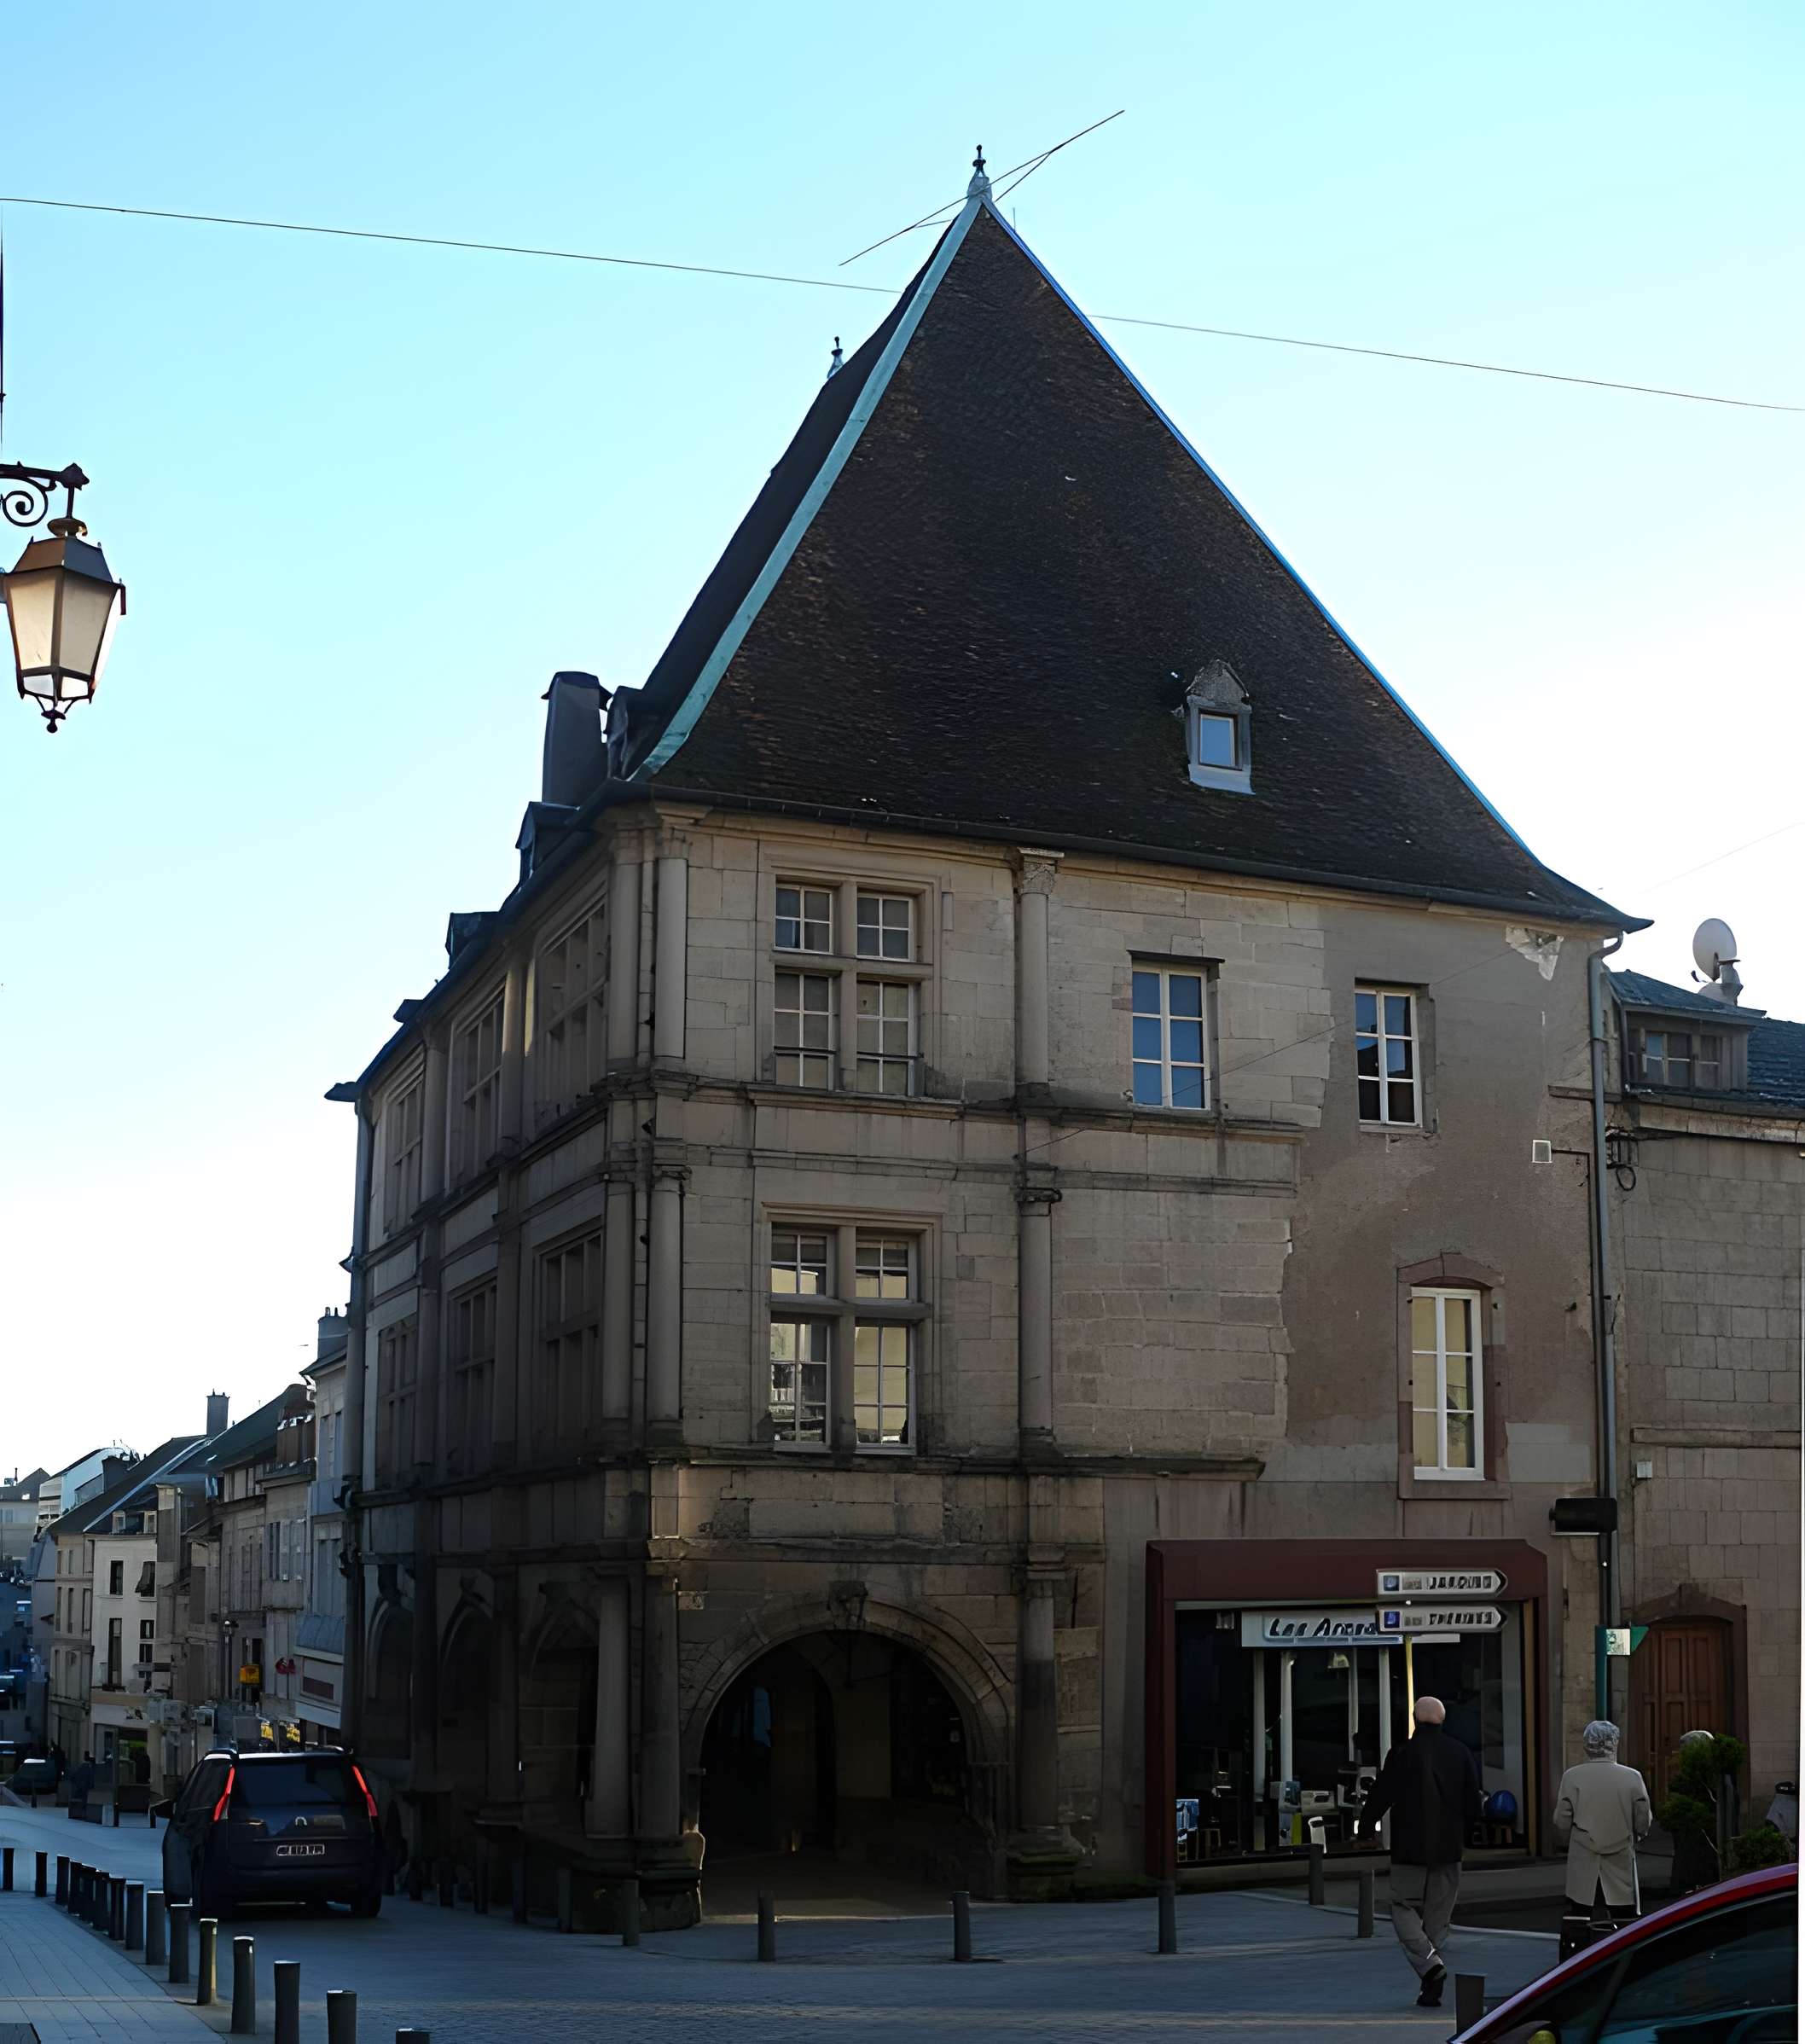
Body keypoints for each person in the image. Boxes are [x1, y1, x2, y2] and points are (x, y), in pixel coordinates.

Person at [1362, 1695, 1484, 2008]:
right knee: (1437, 1920)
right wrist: (1468, 1833)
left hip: (1409, 1849)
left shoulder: (1402, 1753)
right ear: (1443, 1721)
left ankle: (1430, 1970)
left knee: (1403, 1907)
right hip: (1448, 1849)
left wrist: (1365, 1826)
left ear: (1415, 1720)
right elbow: (1474, 1804)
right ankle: (1431, 1980)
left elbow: (1382, 1793)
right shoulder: (1460, 1753)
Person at [1553, 1720, 1651, 1956]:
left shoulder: (1572, 1777)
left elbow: (1562, 1820)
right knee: (1625, 1914)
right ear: (1614, 1744)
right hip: (1619, 1855)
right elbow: (1643, 1820)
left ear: (1587, 1746)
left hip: (1584, 1855)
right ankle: (1626, 1957)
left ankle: (1573, 1958)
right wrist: (1638, 1834)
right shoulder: (1632, 1777)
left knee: (1577, 1913)